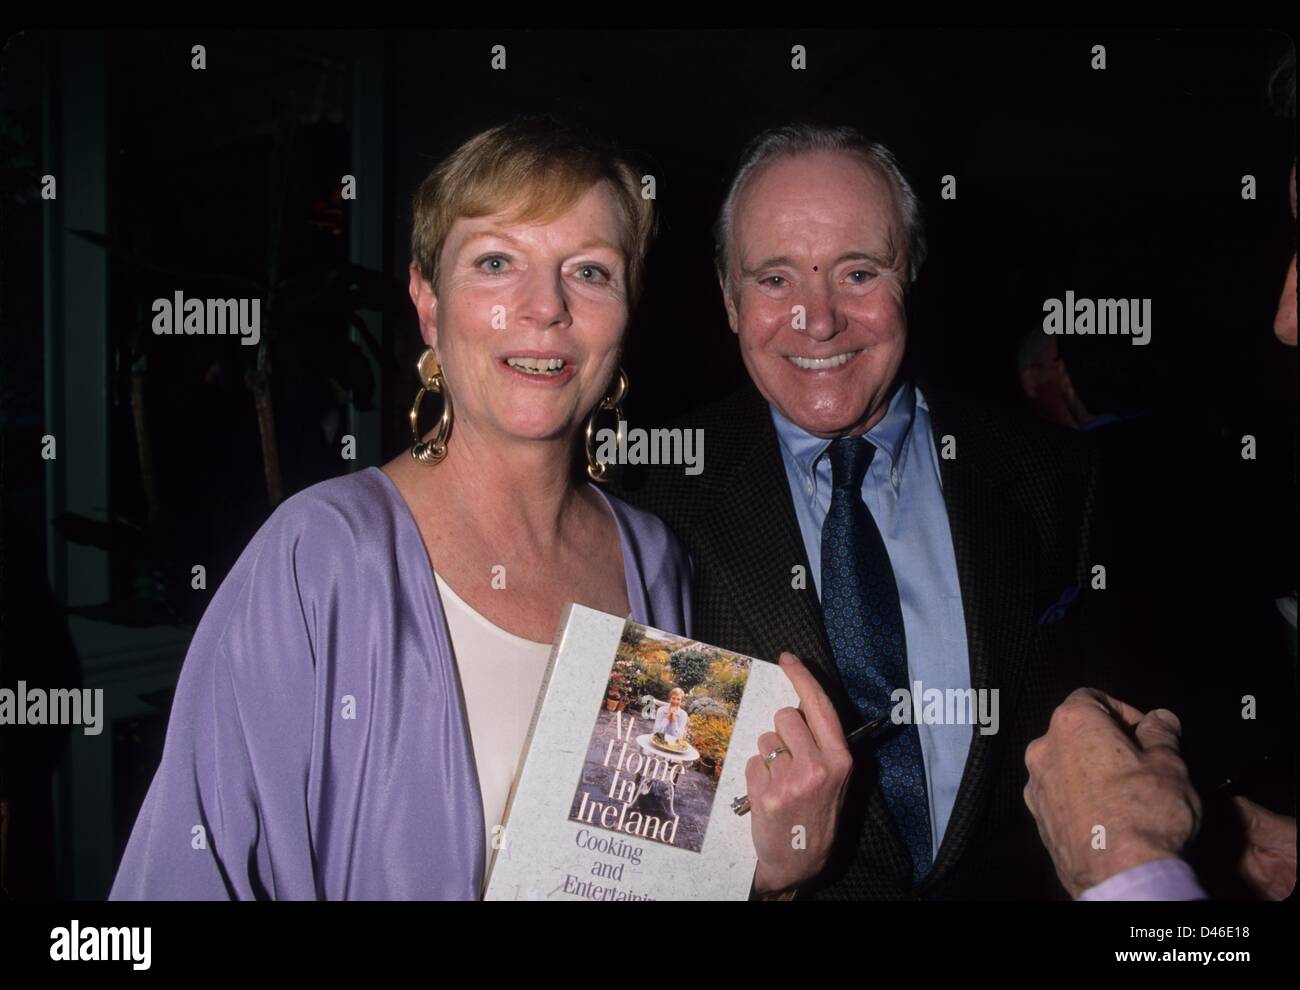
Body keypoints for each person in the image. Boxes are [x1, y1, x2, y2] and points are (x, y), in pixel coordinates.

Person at [109, 116, 844, 900]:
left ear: (627, 312)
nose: (543, 310)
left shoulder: (654, 558)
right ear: (427, 301)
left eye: (589, 272)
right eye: (496, 262)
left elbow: (642, 872)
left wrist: (767, 869)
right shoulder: (318, 557)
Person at [618, 123, 1098, 899]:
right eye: (775, 279)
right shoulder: (647, 500)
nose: (819, 319)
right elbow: (647, 835)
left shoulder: (1053, 474)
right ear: (727, 296)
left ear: (914, 271)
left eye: (859, 273)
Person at [1024, 52, 1297, 901]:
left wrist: (1132, 864)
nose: (1287, 322)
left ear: (1059, 375)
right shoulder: (1219, 455)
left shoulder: (1077, 488)